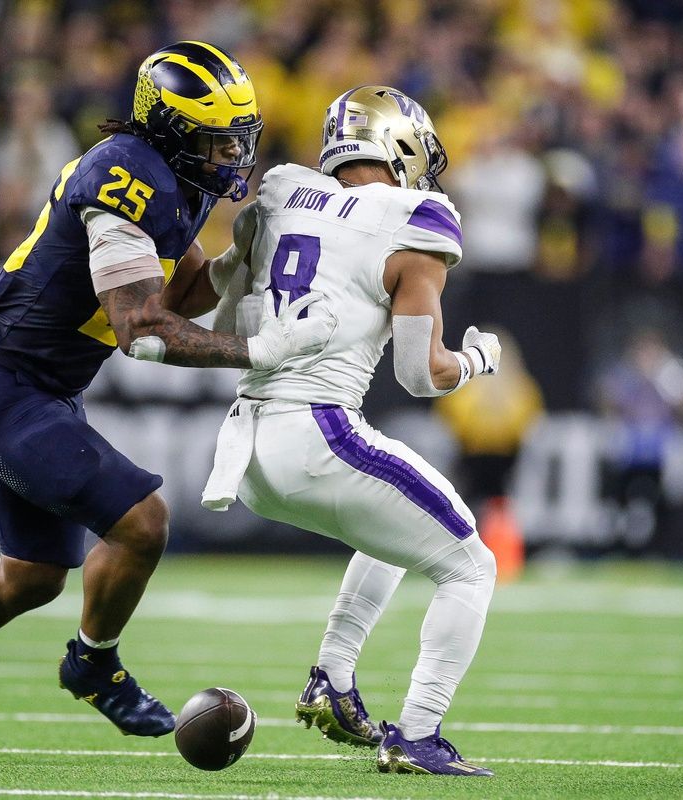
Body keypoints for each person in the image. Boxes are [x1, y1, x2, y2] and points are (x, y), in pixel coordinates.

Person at [0, 41, 334, 761]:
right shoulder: (124, 175)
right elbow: (140, 327)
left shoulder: (174, 179)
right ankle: (93, 665)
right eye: (214, 138)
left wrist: (237, 258)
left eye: (236, 138)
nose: (230, 154)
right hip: (1, 387)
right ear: (166, 128)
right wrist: (261, 350)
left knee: (30, 579)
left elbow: (185, 293)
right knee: (142, 522)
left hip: (35, 388)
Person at [166, 85, 500, 776]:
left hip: (246, 450)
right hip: (317, 434)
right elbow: (419, 373)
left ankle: (333, 678)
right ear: (400, 143)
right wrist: (476, 359)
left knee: (394, 532)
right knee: (471, 564)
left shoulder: (284, 192)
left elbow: (211, 305)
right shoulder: (418, 215)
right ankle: (417, 734)